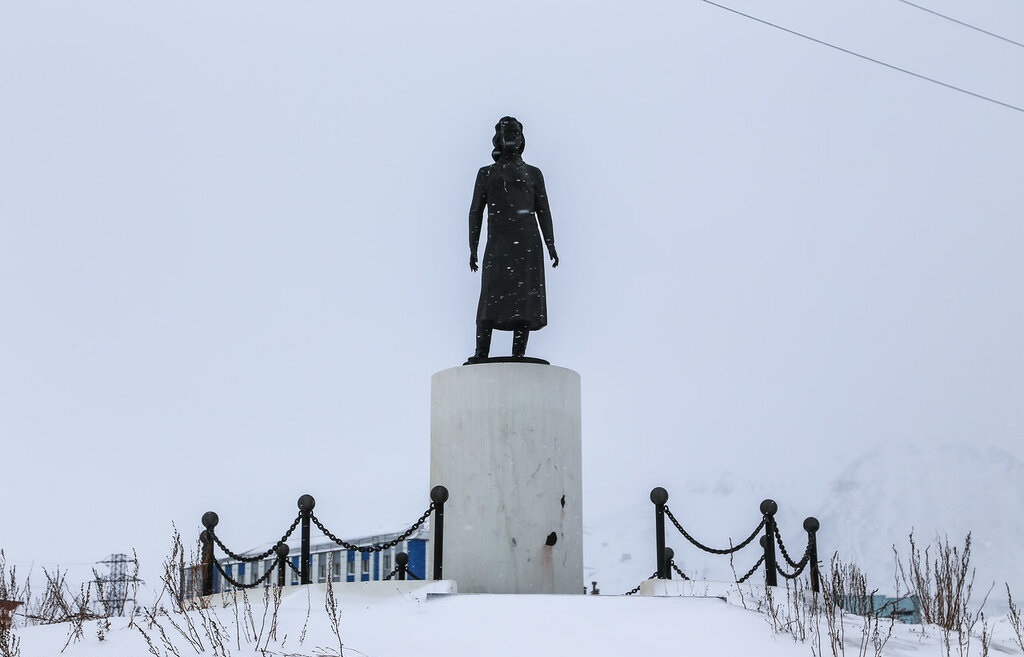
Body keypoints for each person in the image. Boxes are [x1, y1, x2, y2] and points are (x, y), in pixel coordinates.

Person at [468, 116, 559, 362]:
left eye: (516, 132)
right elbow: (476, 210)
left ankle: (519, 353)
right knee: (489, 298)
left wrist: (550, 243)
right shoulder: (486, 173)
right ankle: (481, 353)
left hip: (527, 242)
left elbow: (544, 209)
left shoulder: (533, 173)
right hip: (498, 243)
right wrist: (473, 247)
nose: (512, 138)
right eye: (507, 133)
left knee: (524, 300)